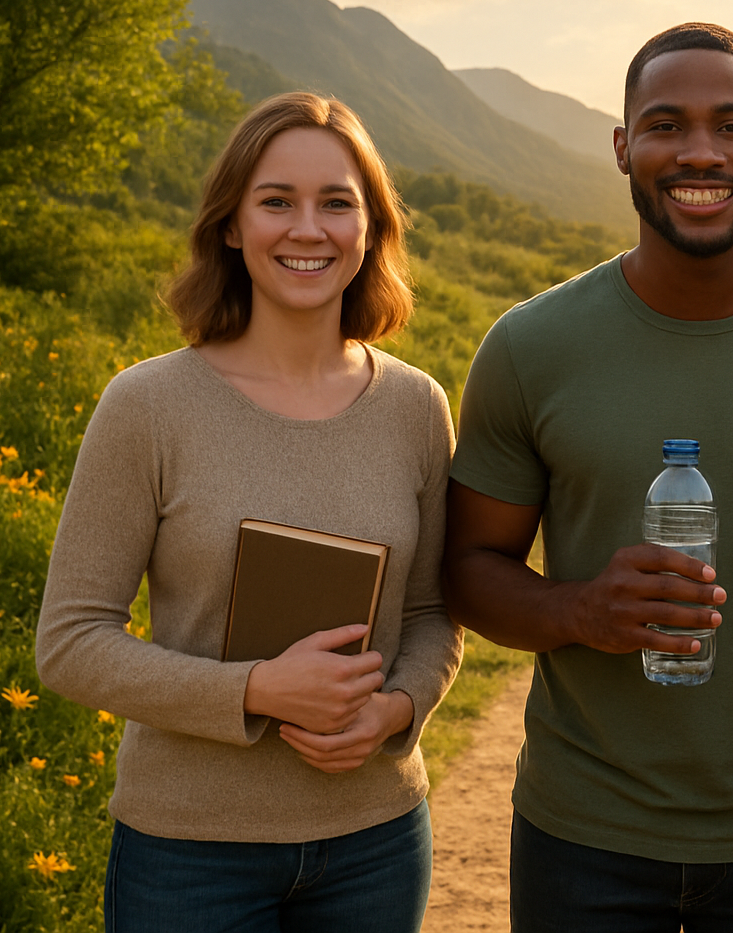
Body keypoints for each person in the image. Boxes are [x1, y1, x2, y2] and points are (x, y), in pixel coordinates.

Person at [444, 23, 733, 933]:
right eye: (665, 125)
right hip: (581, 836)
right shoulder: (530, 348)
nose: (700, 152)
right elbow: (470, 567)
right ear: (623, 147)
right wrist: (581, 611)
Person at [35, 92, 462, 932]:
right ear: (232, 226)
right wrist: (258, 690)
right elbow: (70, 642)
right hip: (188, 854)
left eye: (337, 203)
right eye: (277, 202)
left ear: (370, 228)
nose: (309, 229)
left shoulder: (416, 407)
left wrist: (396, 710)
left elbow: (433, 611)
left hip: (377, 843)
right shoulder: (148, 405)